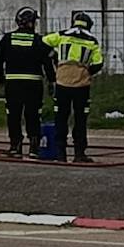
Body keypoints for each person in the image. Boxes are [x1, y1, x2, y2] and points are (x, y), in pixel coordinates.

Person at [0, 7, 55, 157]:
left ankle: (15, 146)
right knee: (33, 114)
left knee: (13, 114)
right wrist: (51, 81)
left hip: (13, 84)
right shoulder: (39, 40)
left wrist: (0, 75)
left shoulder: (7, 39)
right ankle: (34, 147)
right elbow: (47, 63)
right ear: (31, 23)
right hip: (33, 85)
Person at [44, 11, 104, 163]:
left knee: (61, 118)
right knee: (80, 120)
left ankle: (60, 154)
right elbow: (98, 63)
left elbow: (42, 43)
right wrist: (86, 72)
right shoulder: (92, 41)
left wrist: (54, 56)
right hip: (82, 86)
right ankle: (79, 153)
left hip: (62, 83)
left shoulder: (62, 35)